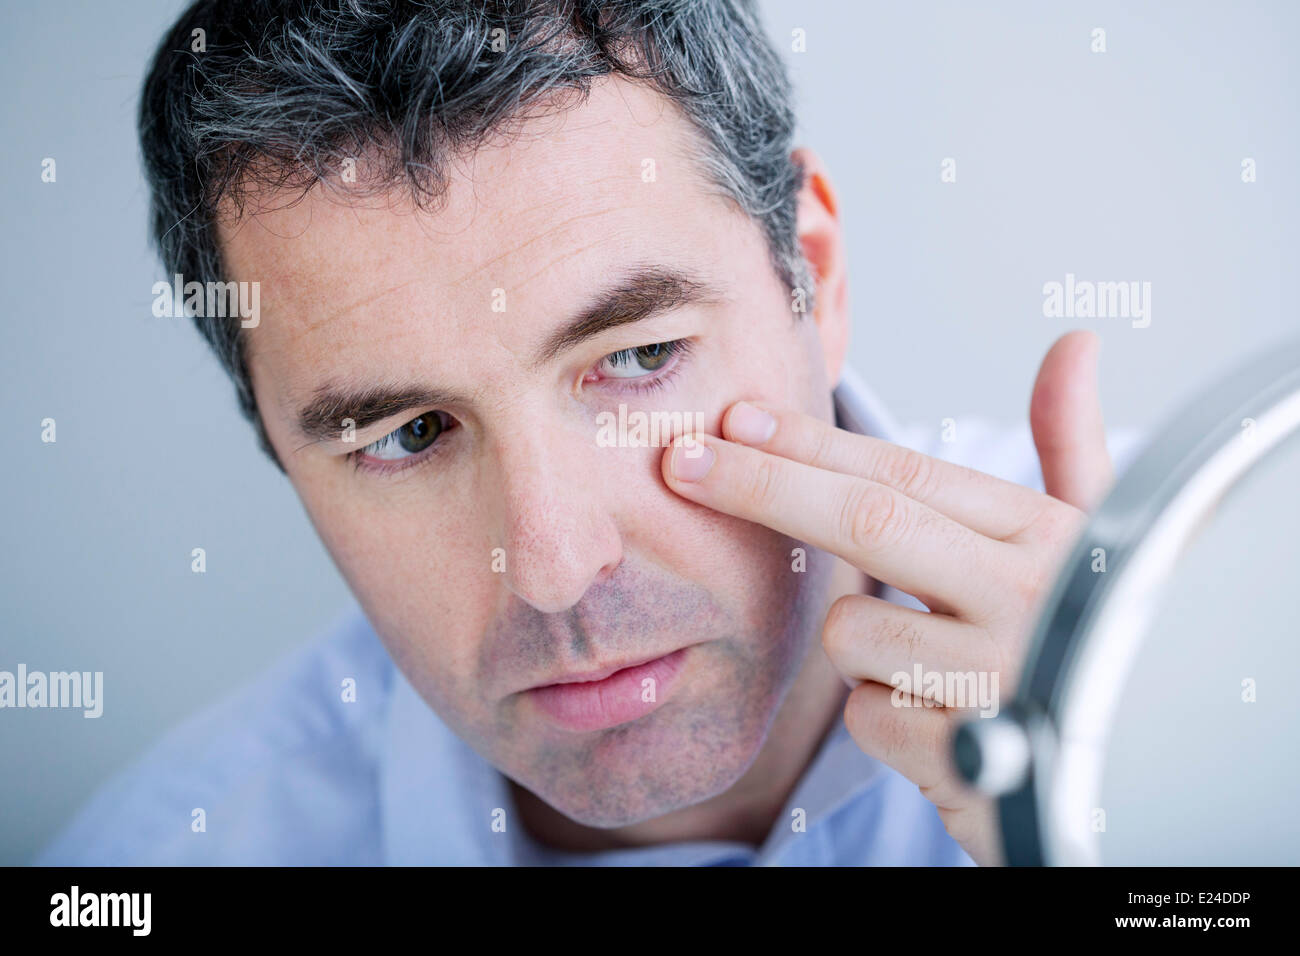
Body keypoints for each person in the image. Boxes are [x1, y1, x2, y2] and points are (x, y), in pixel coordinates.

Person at [37, 0, 1141, 866]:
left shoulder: (1219, 671)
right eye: (410, 432)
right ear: (280, 450)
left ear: (814, 273)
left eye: (636, 359)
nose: (559, 569)